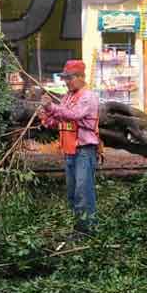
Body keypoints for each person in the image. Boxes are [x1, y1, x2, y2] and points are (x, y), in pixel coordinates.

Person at [40, 59, 100, 236]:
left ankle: (87, 231)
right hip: (70, 151)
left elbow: (74, 115)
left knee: (83, 192)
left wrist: (51, 106)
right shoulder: (67, 97)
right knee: (72, 193)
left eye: (70, 78)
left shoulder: (88, 96)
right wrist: (46, 117)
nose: (66, 81)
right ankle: (77, 228)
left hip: (84, 150)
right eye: (65, 78)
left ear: (81, 77)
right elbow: (59, 120)